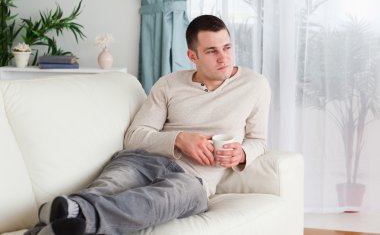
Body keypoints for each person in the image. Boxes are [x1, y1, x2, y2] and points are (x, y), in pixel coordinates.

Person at [26, 15, 271, 235]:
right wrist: (179, 140)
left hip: (193, 181)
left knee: (161, 199)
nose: (223, 58)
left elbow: (258, 140)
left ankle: (68, 218)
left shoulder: (254, 85)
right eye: (211, 51)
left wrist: (242, 153)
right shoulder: (169, 84)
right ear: (192, 56)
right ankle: (64, 220)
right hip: (143, 161)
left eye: (227, 48)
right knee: (107, 187)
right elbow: (134, 136)